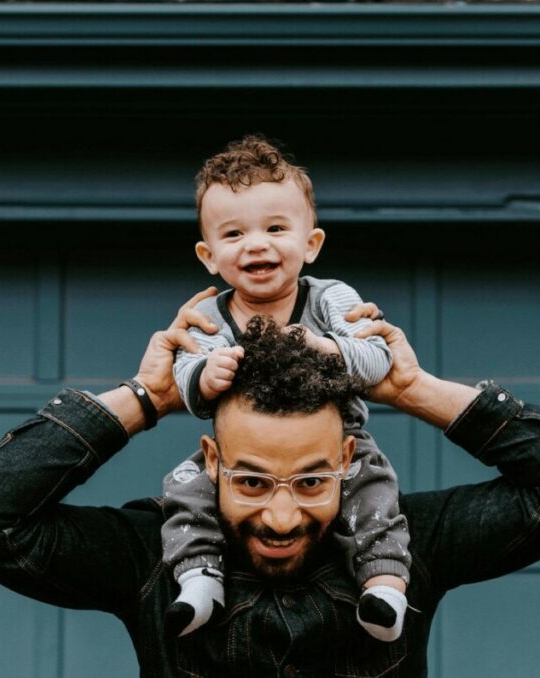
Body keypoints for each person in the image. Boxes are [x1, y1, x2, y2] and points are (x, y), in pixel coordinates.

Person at [0, 288, 540, 678]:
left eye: (313, 481)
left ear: (351, 458)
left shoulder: (410, 546)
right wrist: (145, 398)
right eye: (254, 484)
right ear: (210, 461)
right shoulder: (150, 556)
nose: (284, 518)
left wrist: (412, 389)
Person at [163, 135, 409, 641]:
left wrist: (328, 349)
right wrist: (203, 376)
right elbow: (185, 377)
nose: (256, 244)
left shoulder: (330, 299)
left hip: (340, 442)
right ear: (209, 256)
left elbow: (376, 357)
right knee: (184, 488)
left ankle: (383, 586)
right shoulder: (208, 314)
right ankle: (198, 578)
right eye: (234, 235)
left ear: (311, 244)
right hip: (241, 454)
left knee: (374, 489)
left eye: (276, 228)